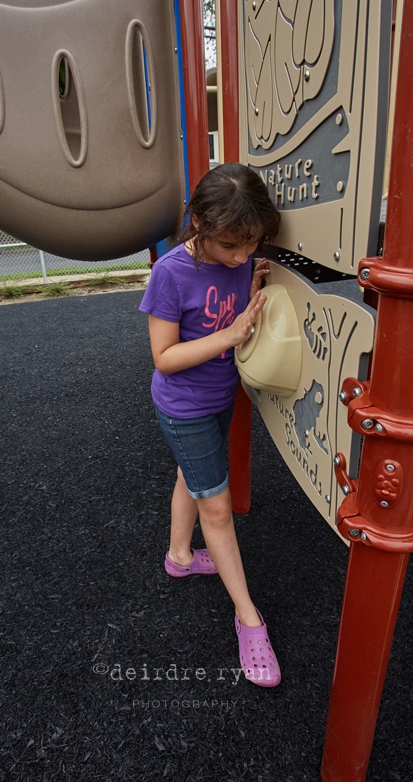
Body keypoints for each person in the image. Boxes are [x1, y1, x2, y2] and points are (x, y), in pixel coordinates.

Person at [139, 163, 282, 688]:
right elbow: (164, 356)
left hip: (220, 397)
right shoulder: (170, 272)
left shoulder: (241, 257)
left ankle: (180, 556)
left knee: (193, 477)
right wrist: (234, 333)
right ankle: (249, 619)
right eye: (230, 246)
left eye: (252, 244)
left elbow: (228, 299)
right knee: (216, 510)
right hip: (184, 405)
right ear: (198, 223)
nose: (242, 256)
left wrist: (249, 283)